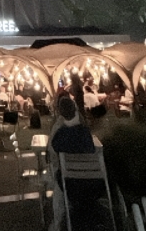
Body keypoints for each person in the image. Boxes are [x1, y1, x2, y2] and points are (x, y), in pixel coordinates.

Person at [48, 96, 96, 231]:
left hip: (69, 181)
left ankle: (58, 223)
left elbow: (53, 154)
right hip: (91, 179)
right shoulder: (85, 132)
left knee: (58, 182)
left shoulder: (59, 135)